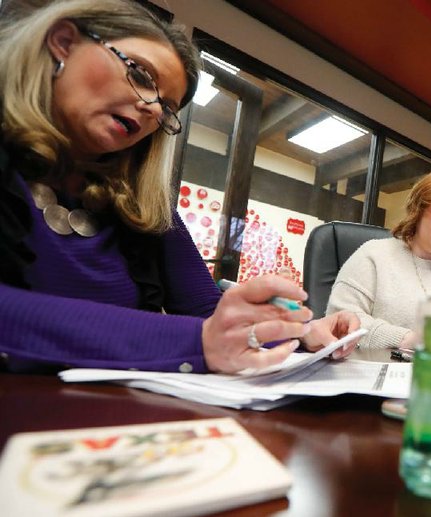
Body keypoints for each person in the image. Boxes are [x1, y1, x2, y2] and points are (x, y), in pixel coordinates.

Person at [0, 0, 359, 375]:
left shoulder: (144, 204)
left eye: (168, 108)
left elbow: (206, 310)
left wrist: (301, 332)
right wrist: (195, 341)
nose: (154, 110)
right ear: (62, 42)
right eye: (140, 75)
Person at [326, 171, 431, 349]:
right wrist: (406, 339)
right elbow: (339, 320)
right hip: (374, 369)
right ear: (418, 210)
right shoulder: (373, 255)